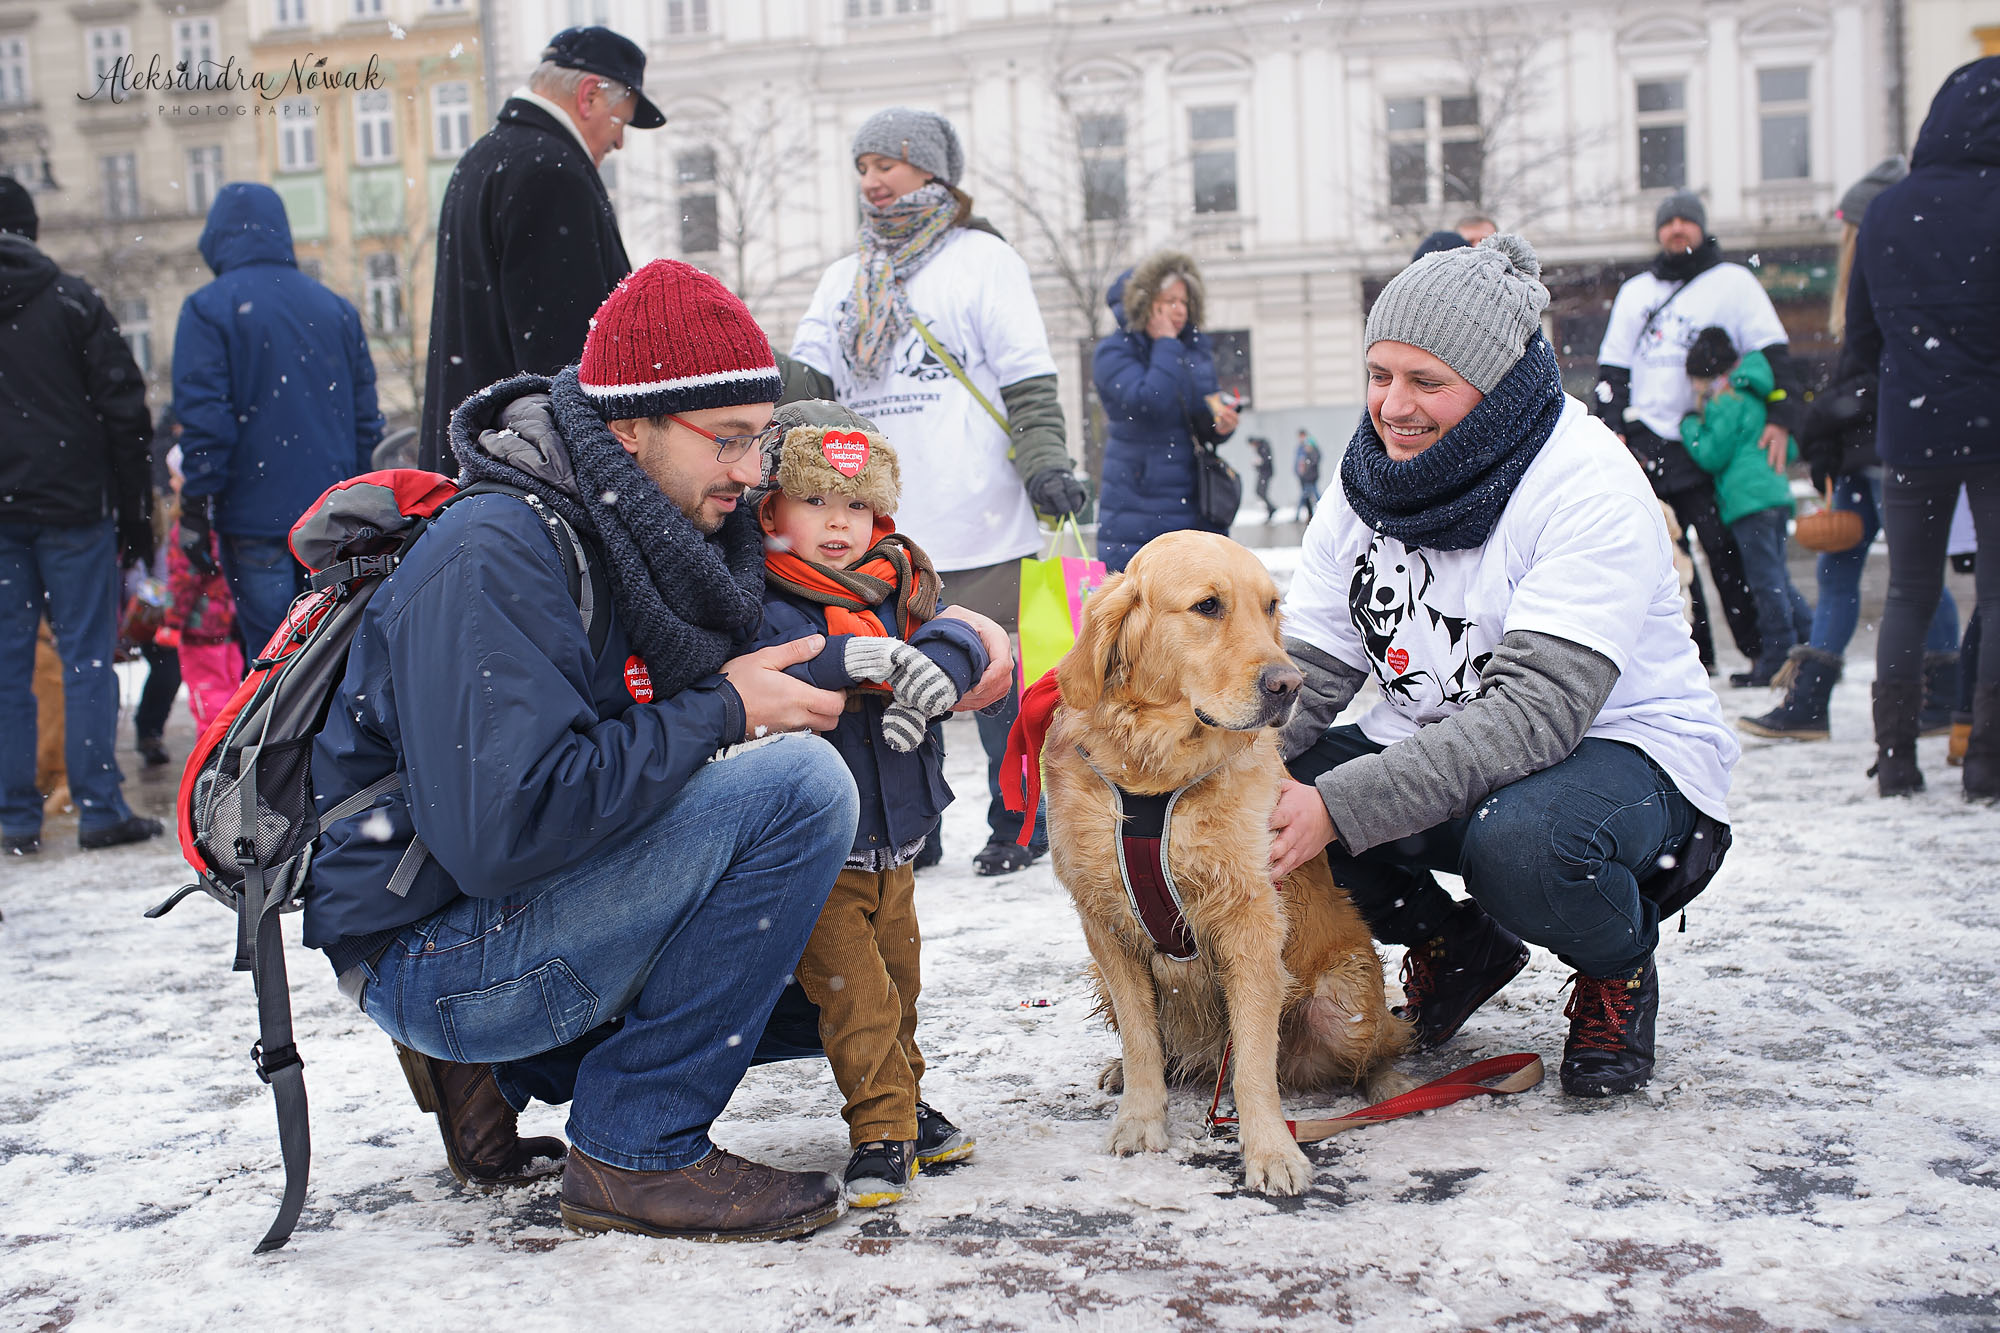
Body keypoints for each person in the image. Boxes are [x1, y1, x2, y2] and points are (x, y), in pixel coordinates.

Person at [307, 259, 1013, 1242]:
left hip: (511, 904)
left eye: (760, 439)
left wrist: (961, 642)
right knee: (802, 791)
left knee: (842, 980)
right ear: (630, 428)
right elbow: (498, 833)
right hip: (432, 944)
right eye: (726, 441)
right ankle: (635, 1148)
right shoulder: (498, 553)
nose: (750, 471)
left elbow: (817, 643)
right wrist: (721, 712)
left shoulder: (653, 534)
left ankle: (512, 1069)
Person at [1270, 235, 1737, 1098]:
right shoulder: (1366, 482)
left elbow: (1535, 715)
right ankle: (1457, 942)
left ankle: (1616, 969)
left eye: (1426, 382)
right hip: (1442, 742)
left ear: (1498, 385)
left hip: (1622, 755)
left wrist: (1338, 805)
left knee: (1521, 842)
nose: (1393, 406)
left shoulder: (1584, 483)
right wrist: (1216, 766)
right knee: (1259, 800)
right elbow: (1309, 662)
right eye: (1380, 374)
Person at [789, 107, 1087, 877]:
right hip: (881, 534)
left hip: (980, 513)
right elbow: (805, 388)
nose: (872, 180)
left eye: (886, 162)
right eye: (862, 166)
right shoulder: (844, 278)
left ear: (931, 170)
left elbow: (1027, 382)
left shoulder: (984, 262)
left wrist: (1048, 463)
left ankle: (1020, 821)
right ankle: (918, 828)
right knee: (898, 685)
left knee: (994, 686)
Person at [749, 401, 985, 1207]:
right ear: (773, 507)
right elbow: (774, 666)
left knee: (900, 983)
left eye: (856, 503)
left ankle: (906, 1102)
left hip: (899, 835)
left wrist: (937, 667)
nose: (839, 522)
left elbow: (959, 632)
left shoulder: (899, 579)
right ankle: (879, 1129)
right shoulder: (762, 592)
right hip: (824, 847)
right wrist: (860, 658)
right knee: (857, 992)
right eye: (816, 501)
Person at [1741, 156, 1961, 741]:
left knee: (1916, 576)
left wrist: (1835, 415)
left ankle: (1944, 695)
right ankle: (1811, 703)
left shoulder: (1896, 269)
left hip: (1894, 449)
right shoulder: (1879, 272)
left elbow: (1880, 374)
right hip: (1864, 454)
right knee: (1841, 572)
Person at [1842, 57, 2000, 800]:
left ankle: (1896, 757)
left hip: (1911, 428)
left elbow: (1862, 340)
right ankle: (1986, 759)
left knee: (1909, 591)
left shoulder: (1888, 209)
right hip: (1995, 427)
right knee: (1996, 598)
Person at [0, 177, 163, 855]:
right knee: (87, 660)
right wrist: (134, 515)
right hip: (74, 508)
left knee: (7, 666)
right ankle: (98, 805)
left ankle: (13, 816)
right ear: (32, 230)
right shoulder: (72, 300)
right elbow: (126, 413)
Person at [418, 26, 661, 472]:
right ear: (588, 96)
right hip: (522, 478)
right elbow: (566, 362)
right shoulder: (552, 172)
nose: (620, 140)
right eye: (620, 121)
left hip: (476, 462)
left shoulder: (482, 157)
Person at [1593, 190, 1804, 674]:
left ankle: (1758, 653)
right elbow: (1613, 369)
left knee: (1724, 553)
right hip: (1646, 439)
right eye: (1669, 223)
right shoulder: (1636, 291)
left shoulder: (1733, 283)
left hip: (1705, 440)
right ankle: (1694, 659)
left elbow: (1772, 355)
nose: (1677, 230)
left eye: (1687, 222)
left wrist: (1781, 417)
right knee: (1660, 559)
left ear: (1702, 228)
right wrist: (1613, 429)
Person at [173, 183, 383, 658]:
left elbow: (207, 422)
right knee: (334, 660)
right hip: (333, 522)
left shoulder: (208, 310)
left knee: (273, 663)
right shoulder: (336, 310)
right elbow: (367, 425)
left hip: (253, 516)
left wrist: (195, 506)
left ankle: (274, 733)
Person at [1092, 249, 1240, 571]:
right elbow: (1149, 403)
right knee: (1144, 603)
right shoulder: (1113, 352)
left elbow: (1200, 417)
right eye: (1169, 300)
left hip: (1191, 495)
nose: (1179, 309)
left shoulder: (1194, 349)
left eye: (1184, 301)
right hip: (1138, 499)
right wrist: (1166, 344)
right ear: (1147, 302)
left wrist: (1221, 424)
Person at [1679, 328, 1811, 686]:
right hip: (1773, 495)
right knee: (1777, 577)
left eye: (1694, 381)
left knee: (1765, 582)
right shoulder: (1755, 395)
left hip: (1748, 501)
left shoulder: (1725, 400)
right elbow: (1792, 449)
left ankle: (1777, 659)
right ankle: (1814, 647)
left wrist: (1690, 424)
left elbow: (1712, 453)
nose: (1694, 390)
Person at [154, 447, 242, 730]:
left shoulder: (188, 530)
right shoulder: (225, 520)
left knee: (208, 702)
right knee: (231, 696)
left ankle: (213, 761)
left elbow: (183, 580)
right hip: (227, 626)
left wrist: (172, 622)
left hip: (200, 630)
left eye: (175, 477)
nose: (171, 483)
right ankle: (231, 750)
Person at [1293, 429, 1322, 520]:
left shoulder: (1311, 447)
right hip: (1305, 476)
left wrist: (1306, 466)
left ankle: (1298, 515)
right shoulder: (1301, 448)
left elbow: (1313, 461)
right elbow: (1298, 462)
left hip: (1310, 477)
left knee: (1307, 495)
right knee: (1307, 496)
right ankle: (1309, 514)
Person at [1250, 436, 1277, 522]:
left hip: (1265, 473)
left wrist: (1258, 464)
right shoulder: (1261, 447)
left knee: (1261, 492)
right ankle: (1270, 509)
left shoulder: (1263, 447)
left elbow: (1266, 461)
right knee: (1259, 491)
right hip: (1263, 473)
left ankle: (1271, 509)